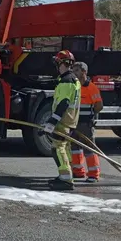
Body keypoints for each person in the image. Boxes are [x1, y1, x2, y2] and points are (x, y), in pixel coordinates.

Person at [41, 50, 82, 191]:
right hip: (71, 121)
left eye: (58, 64)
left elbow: (63, 104)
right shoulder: (74, 80)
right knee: (65, 148)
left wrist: (52, 122)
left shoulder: (66, 81)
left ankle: (66, 179)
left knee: (58, 148)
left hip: (63, 121)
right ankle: (66, 175)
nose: (57, 67)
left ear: (62, 64)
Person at [71, 61, 103, 182]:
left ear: (84, 72)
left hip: (86, 124)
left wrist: (91, 116)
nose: (74, 73)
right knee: (75, 147)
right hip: (74, 122)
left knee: (89, 149)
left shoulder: (91, 88)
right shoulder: (74, 86)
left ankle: (94, 174)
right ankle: (78, 171)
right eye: (73, 70)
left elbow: (99, 105)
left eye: (77, 70)